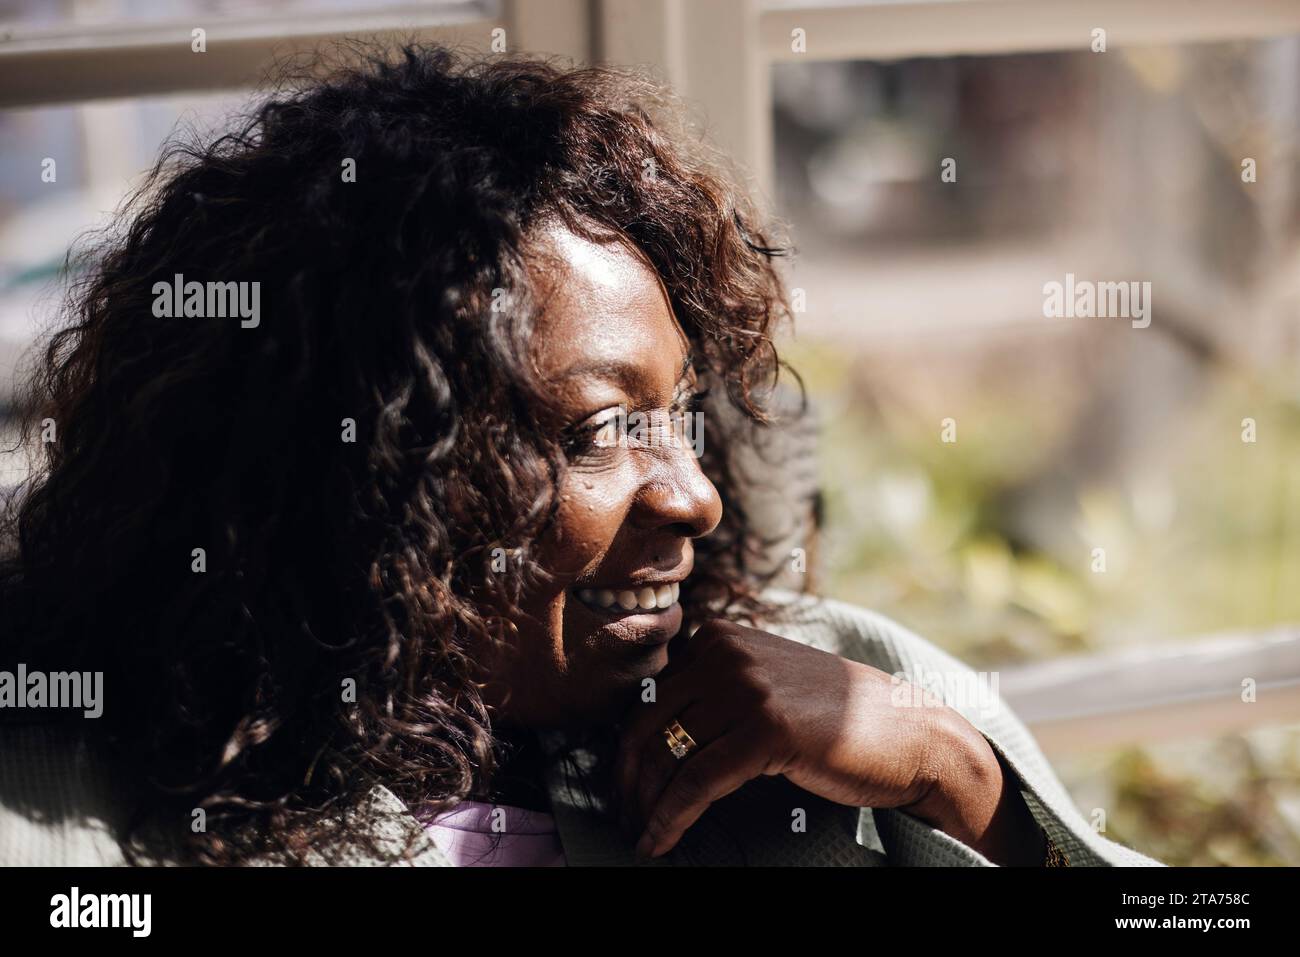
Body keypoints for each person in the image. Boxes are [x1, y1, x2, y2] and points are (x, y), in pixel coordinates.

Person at [0, 44, 1159, 867]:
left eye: (681, 414)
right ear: (363, 480)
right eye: (603, 429)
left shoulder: (832, 695)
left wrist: (964, 782)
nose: (696, 496)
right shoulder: (80, 803)